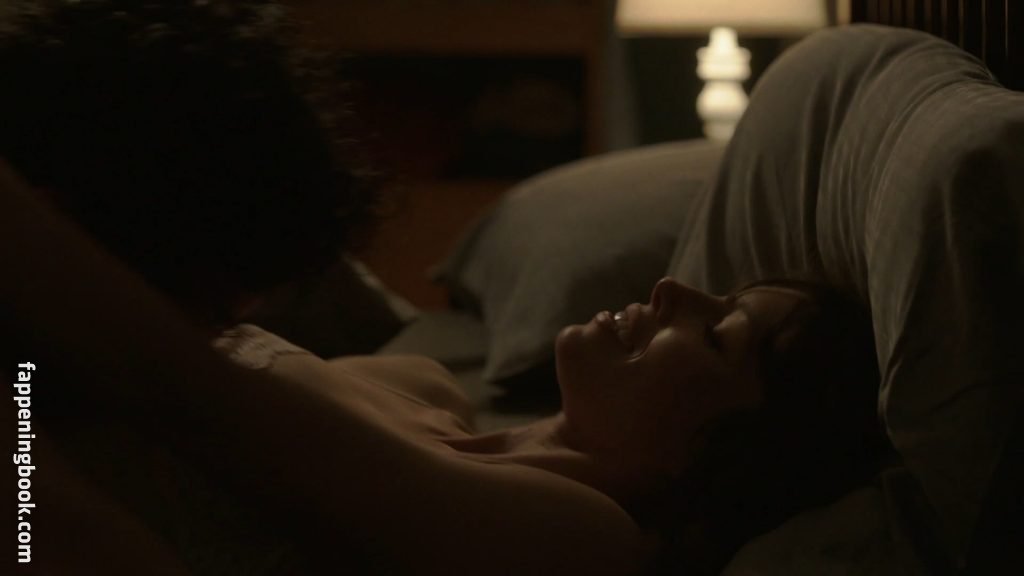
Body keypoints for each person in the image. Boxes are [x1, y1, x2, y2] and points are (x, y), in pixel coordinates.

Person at [0, 2, 886, 574]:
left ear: (729, 455)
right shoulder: (423, 385)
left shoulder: (585, 539)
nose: (673, 293)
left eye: (720, 335)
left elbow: (203, 406)